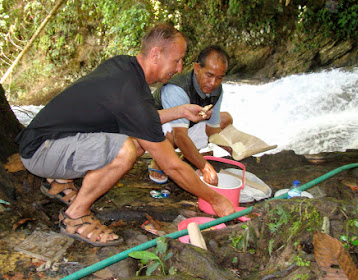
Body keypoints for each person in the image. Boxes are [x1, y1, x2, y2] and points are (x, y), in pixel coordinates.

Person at [15, 23, 236, 247]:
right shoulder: (132, 94)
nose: (179, 68)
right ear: (156, 54)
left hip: (48, 140)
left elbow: (140, 116)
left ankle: (59, 181)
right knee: (126, 150)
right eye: (176, 60)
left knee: (136, 143)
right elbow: (172, 165)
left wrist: (179, 111)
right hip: (41, 151)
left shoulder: (124, 67)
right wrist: (215, 198)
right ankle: (75, 216)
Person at [151, 45, 232, 186]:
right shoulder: (176, 88)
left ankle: (186, 157)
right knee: (171, 134)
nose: (213, 83)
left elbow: (213, 128)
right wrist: (205, 167)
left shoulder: (217, 90)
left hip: (185, 126)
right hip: (154, 130)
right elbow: (180, 136)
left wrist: (225, 144)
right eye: (209, 75)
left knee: (226, 119)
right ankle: (158, 161)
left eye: (219, 78)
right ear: (197, 68)